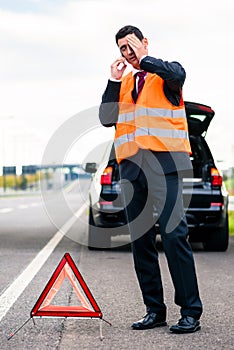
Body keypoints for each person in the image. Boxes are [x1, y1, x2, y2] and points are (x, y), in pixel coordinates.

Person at [99, 25, 203, 333]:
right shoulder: (125, 81)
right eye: (123, 49)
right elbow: (107, 118)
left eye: (131, 45)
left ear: (144, 42)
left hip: (166, 164)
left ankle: (190, 311)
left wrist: (144, 58)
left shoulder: (167, 72)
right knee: (140, 241)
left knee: (173, 235)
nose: (128, 54)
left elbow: (176, 75)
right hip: (133, 169)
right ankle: (154, 310)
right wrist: (113, 80)